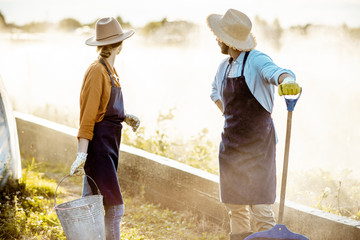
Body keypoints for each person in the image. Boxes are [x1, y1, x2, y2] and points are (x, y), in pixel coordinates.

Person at [207, 9, 301, 240]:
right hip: (231, 144)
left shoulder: (257, 60)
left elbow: (278, 73)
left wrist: (288, 81)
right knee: (236, 206)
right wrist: (231, 116)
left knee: (260, 208)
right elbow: (214, 92)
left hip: (258, 145)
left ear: (230, 41)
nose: (216, 39)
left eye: (219, 36)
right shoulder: (224, 66)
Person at [69, 17, 140, 240]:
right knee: (114, 207)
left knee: (91, 204)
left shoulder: (111, 70)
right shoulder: (97, 71)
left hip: (109, 148)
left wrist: (124, 116)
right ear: (121, 44)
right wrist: (82, 153)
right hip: (99, 149)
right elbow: (89, 116)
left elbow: (103, 108)